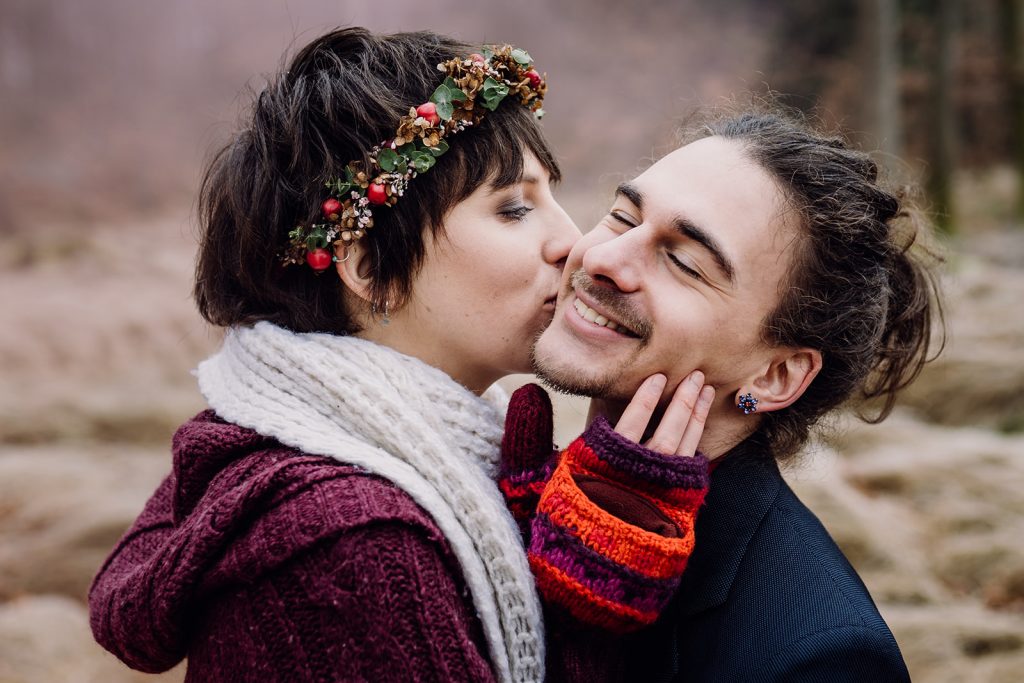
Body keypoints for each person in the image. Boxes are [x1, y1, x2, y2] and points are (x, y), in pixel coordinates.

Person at [89, 27, 714, 683]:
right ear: (370, 270)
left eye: (552, 196)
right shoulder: (356, 541)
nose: (573, 242)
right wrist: (594, 593)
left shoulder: (302, 454)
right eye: (513, 209)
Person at [507, 104, 943, 681]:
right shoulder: (524, 485)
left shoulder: (823, 656)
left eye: (684, 262)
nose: (604, 258)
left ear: (774, 376)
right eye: (621, 216)